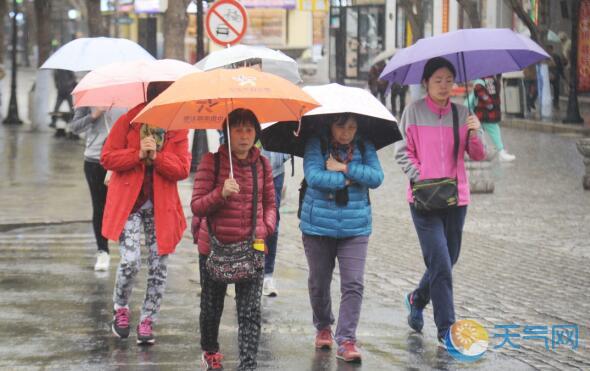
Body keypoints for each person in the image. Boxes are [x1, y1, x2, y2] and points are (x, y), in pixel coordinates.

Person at [393, 57, 486, 347]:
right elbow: (401, 152)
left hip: (456, 199)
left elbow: (479, 155)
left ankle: (417, 298)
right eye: (438, 80)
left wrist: (475, 131)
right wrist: (420, 176)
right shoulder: (414, 112)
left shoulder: (462, 114)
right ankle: (447, 330)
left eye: (449, 80)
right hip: (423, 200)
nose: (444, 86)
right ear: (426, 83)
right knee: (441, 264)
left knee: (448, 259)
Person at [100, 81, 191, 345]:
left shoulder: (177, 128)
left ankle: (148, 319)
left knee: (159, 265)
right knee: (130, 261)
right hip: (130, 204)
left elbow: (183, 168)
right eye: (155, 97)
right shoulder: (129, 121)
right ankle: (120, 307)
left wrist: (158, 158)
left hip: (161, 206)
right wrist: (138, 154)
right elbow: (107, 157)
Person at [192, 109, 276, 371]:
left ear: (256, 134)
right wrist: (220, 193)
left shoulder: (262, 165)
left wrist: (265, 227)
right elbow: (197, 206)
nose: (244, 135)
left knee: (250, 312)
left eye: (249, 129)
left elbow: (271, 204)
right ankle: (211, 350)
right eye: (237, 129)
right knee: (211, 307)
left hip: (253, 247)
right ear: (226, 133)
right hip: (215, 248)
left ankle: (247, 364)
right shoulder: (212, 162)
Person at [299, 113, 384, 363]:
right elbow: (314, 177)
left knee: (354, 283)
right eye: (340, 126)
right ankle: (323, 325)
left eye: (351, 127)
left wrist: (345, 168)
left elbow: (377, 177)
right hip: (318, 226)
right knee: (319, 282)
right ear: (330, 125)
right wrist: (348, 180)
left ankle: (346, 339)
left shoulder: (365, 145)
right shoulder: (317, 143)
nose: (346, 132)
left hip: (355, 226)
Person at [70, 106, 126, 271]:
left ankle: (127, 250)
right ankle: (102, 251)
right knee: (100, 207)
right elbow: (74, 127)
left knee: (122, 207)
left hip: (121, 160)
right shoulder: (90, 98)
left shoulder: (128, 98)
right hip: (95, 160)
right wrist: (94, 115)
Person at [260, 148, 290, 297]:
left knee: (272, 223)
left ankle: (267, 274)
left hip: (276, 171)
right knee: (251, 221)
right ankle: (250, 269)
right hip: (248, 166)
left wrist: (284, 154)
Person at [472, 75, 515, 162]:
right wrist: (488, 102)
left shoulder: (492, 77)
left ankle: (484, 152)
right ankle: (500, 152)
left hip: (488, 112)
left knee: (480, 133)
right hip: (486, 113)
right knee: (494, 130)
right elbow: (480, 90)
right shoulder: (485, 79)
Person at [547, 45, 565, 110]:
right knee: (547, 90)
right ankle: (548, 103)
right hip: (547, 76)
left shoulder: (556, 57)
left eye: (550, 50)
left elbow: (560, 67)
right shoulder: (545, 57)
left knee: (556, 90)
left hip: (556, 76)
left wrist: (563, 76)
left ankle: (556, 103)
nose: (549, 51)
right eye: (547, 50)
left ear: (552, 49)